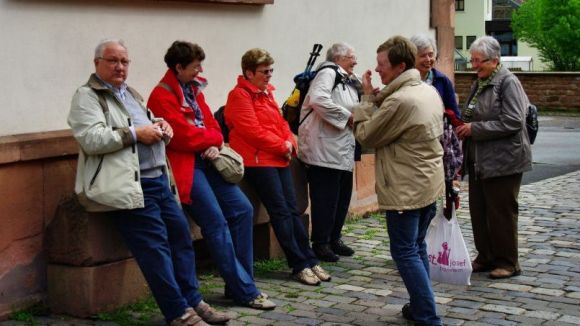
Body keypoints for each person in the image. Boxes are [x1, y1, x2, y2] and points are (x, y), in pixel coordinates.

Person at [68, 39, 229, 326]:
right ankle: (178, 313)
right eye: (112, 60)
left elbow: (145, 122)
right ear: (97, 64)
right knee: (155, 251)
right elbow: (92, 139)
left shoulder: (130, 92)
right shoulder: (88, 96)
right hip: (131, 185)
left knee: (182, 240)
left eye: (124, 61)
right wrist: (135, 133)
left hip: (159, 180)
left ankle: (194, 302)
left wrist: (161, 124)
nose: (119, 67)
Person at [147, 41, 276, 310]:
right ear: (179, 67)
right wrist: (209, 140)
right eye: (195, 67)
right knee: (216, 222)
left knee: (242, 209)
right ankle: (245, 290)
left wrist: (213, 141)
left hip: (210, 161)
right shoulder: (161, 95)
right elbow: (181, 136)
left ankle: (239, 284)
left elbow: (214, 125)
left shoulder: (194, 90)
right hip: (185, 167)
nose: (200, 71)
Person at [353, 36, 444, 326]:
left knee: (405, 251)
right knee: (416, 248)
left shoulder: (401, 100)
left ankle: (428, 317)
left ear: (400, 65)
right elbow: (394, 106)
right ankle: (420, 308)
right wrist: (380, 97)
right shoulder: (425, 89)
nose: (377, 70)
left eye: (382, 64)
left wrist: (367, 98)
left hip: (406, 187)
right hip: (426, 184)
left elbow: (366, 135)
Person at [224, 48, 331, 286]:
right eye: (264, 71)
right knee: (281, 212)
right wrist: (280, 144)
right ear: (249, 72)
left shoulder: (265, 93)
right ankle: (298, 264)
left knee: (292, 210)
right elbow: (250, 131)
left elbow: (281, 121)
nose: (269, 75)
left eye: (271, 70)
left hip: (278, 157)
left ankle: (310, 259)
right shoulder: (240, 96)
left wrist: (290, 140)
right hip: (258, 161)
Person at [456, 35, 532, 279]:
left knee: (501, 212)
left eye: (479, 61)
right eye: (472, 60)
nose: (474, 65)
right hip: (480, 158)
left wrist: (474, 129)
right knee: (479, 211)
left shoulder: (507, 82)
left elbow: (513, 120)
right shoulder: (480, 81)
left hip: (504, 160)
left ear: (495, 60)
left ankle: (508, 262)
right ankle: (486, 256)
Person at [298, 42, 360, 262]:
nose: (355, 61)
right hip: (323, 149)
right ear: (339, 58)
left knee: (341, 197)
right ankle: (321, 243)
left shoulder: (347, 78)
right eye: (352, 56)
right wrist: (347, 117)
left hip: (341, 148)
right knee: (326, 198)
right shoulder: (327, 72)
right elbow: (318, 99)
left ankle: (334, 238)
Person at [410, 34, 463, 219]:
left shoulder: (442, 80)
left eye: (431, 54)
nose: (429, 59)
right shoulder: (405, 81)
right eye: (423, 55)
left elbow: (456, 116)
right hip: (414, 146)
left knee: (433, 194)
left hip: (438, 144)